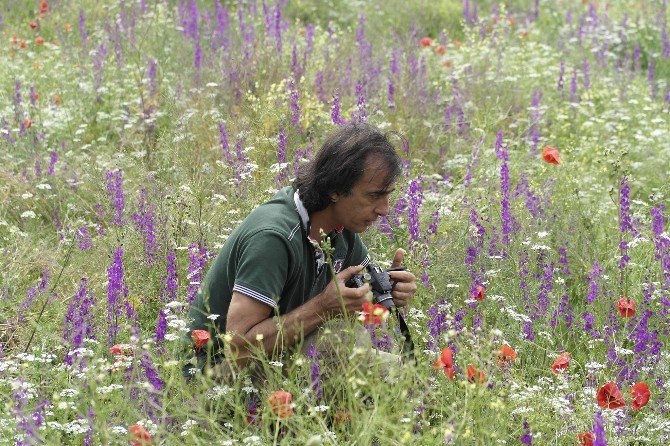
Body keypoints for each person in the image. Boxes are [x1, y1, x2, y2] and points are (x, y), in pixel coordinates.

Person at [185, 123, 417, 377]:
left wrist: (386, 292)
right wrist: (323, 308)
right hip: (213, 378)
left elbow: (353, 301)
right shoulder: (273, 238)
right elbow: (238, 347)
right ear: (335, 190)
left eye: (387, 195)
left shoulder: (342, 228)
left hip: (277, 358)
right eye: (374, 196)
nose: (384, 209)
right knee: (339, 341)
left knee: (406, 377)